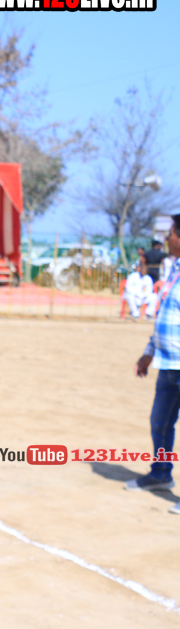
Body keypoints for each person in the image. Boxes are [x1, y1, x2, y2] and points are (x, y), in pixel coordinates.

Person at [129, 215, 180, 513]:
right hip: (168, 363)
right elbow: (165, 317)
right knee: (160, 422)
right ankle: (161, 473)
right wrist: (149, 352)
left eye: (171, 233)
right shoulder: (174, 269)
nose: (167, 239)